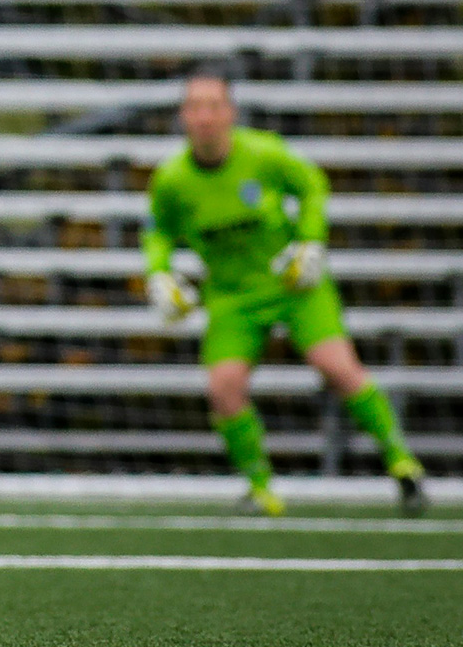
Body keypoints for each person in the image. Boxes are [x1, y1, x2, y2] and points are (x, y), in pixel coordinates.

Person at [143, 66, 426, 517]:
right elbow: (157, 231)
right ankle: (262, 490)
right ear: (183, 116)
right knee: (223, 388)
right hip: (232, 296)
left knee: (336, 366)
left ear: (230, 112)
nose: (205, 116)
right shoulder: (173, 180)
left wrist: (311, 242)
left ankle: (402, 463)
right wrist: (158, 273)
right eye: (195, 107)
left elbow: (313, 184)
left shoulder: (264, 154)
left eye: (213, 106)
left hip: (293, 285)